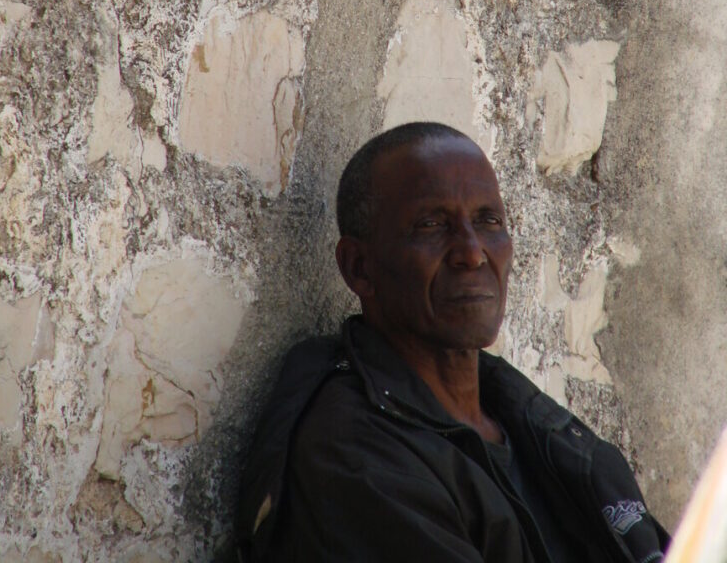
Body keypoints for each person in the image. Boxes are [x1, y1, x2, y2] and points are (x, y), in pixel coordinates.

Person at [237, 122, 669, 562]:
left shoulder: (536, 425)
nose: (473, 252)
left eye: (488, 221)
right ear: (359, 268)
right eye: (431, 225)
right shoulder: (355, 454)